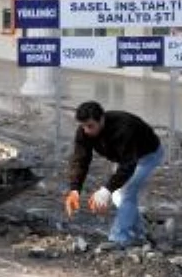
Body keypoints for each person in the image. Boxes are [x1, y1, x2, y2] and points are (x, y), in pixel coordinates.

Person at [63, 101, 166, 248]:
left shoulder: (124, 128)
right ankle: (143, 229)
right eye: (83, 126)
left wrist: (106, 190)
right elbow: (81, 159)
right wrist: (75, 189)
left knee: (126, 193)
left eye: (90, 126)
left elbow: (129, 166)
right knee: (118, 196)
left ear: (102, 119)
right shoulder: (84, 132)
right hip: (124, 158)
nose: (86, 130)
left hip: (146, 156)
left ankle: (119, 239)